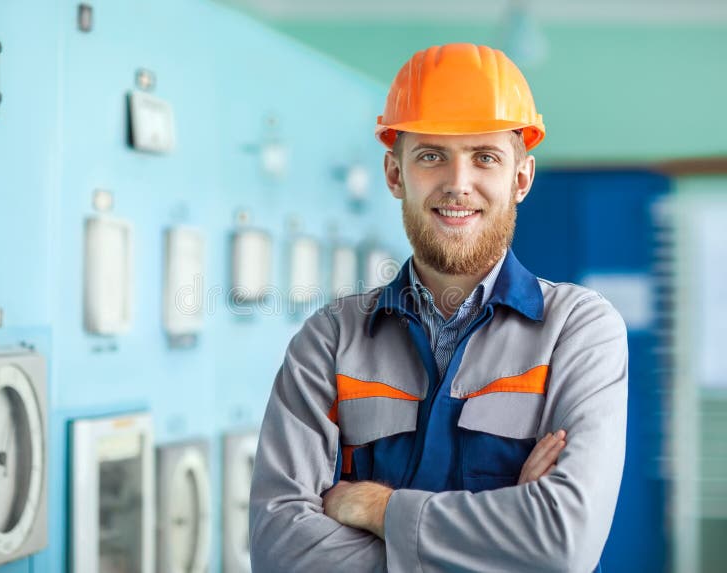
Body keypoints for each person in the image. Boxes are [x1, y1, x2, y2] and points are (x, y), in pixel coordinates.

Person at [249, 43, 627, 573]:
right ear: (395, 174)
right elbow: (279, 550)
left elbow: (562, 543)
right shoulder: (330, 341)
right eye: (431, 155)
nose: (457, 183)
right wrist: (503, 540)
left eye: (485, 157)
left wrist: (376, 508)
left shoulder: (578, 330)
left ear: (521, 178)